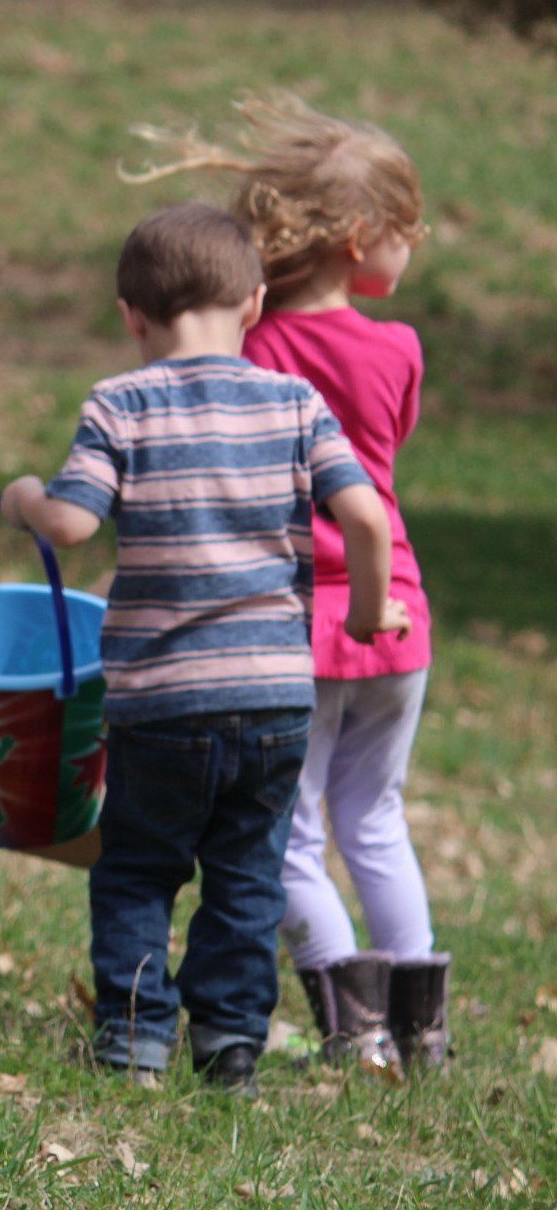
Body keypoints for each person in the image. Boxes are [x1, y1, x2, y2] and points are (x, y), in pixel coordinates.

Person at [0, 202, 405, 1093]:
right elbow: (368, 517)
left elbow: (70, 524)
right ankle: (230, 1049)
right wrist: (370, 615)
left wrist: (24, 496)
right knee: (248, 876)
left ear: (130, 316)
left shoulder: (120, 404)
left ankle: (135, 1043)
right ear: (255, 304)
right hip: (274, 700)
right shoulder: (296, 403)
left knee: (138, 870)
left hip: (161, 702)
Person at [129, 96, 446, 1075]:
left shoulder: (255, 347)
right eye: (408, 230)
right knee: (376, 816)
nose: (412, 248)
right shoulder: (398, 348)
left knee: (293, 830)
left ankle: (355, 1032)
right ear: (359, 239)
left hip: (290, 628)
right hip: (395, 616)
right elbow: (385, 451)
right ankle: (423, 1033)